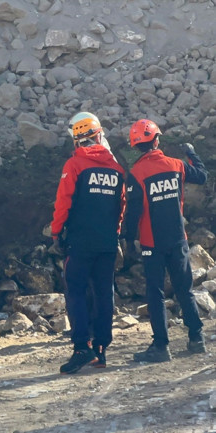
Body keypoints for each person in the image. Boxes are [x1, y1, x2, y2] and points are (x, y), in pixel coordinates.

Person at [124, 119, 208, 362]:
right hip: (178, 239)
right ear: (157, 140)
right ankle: (196, 337)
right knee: (184, 289)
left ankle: (161, 346)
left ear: (135, 146)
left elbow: (133, 212)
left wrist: (130, 241)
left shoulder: (136, 173)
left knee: (155, 293)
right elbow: (202, 176)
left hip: (152, 243)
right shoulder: (177, 165)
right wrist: (191, 153)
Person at [51, 112, 125, 374]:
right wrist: (114, 234)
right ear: (99, 135)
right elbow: (121, 207)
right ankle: (101, 350)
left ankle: (82, 347)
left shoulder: (74, 165)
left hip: (80, 243)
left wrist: (56, 231)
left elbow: (64, 202)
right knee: (105, 294)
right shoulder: (116, 169)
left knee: (76, 292)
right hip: (107, 243)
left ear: (76, 141)